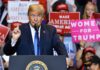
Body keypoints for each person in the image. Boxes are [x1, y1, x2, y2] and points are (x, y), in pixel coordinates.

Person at [3, 4, 68, 56]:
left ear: (43, 17)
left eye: (39, 16)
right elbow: (7, 52)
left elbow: (59, 47)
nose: (35, 19)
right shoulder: (20, 30)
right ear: (28, 16)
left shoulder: (50, 30)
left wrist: (66, 58)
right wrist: (14, 39)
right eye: (33, 15)